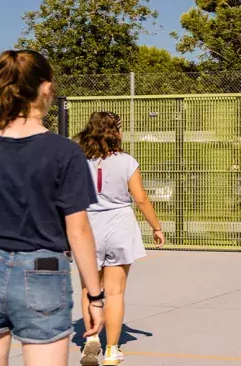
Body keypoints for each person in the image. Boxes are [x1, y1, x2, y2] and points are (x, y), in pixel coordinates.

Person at [0, 50, 106, 366]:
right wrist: (95, 296)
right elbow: (78, 230)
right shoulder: (64, 152)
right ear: (45, 88)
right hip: (45, 269)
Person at [76, 111, 167, 366]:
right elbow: (140, 198)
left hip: (89, 228)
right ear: (114, 132)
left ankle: (91, 338)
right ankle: (111, 350)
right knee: (115, 293)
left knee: (89, 290)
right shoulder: (127, 161)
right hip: (119, 226)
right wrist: (156, 227)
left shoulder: (80, 162)